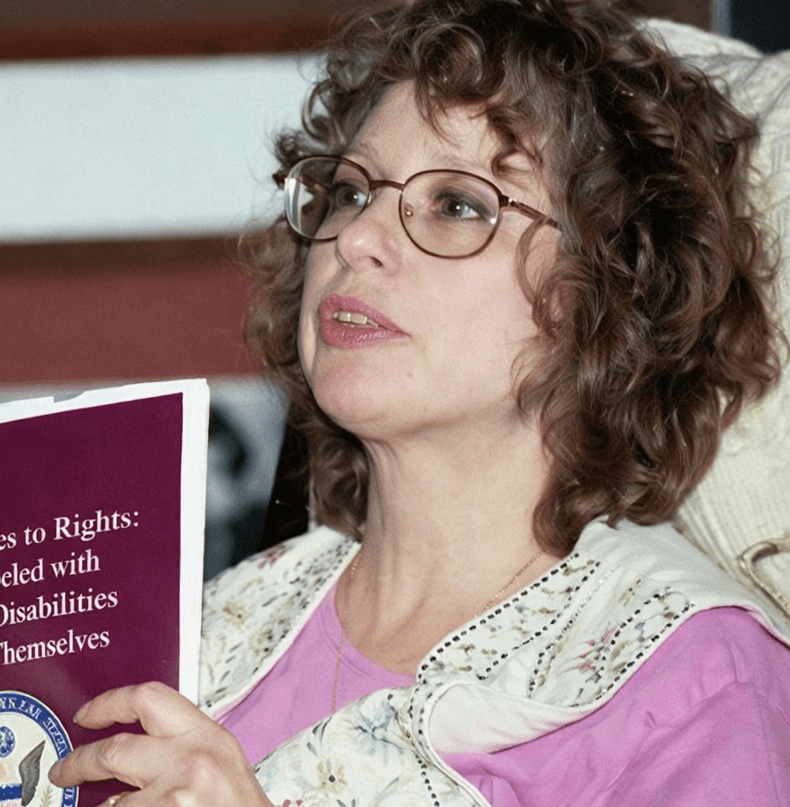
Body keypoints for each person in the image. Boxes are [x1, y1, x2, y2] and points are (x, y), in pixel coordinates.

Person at [50, 0, 790, 805]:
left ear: (611, 287)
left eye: (457, 204)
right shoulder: (206, 627)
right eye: (352, 190)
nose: (358, 237)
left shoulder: (695, 678)